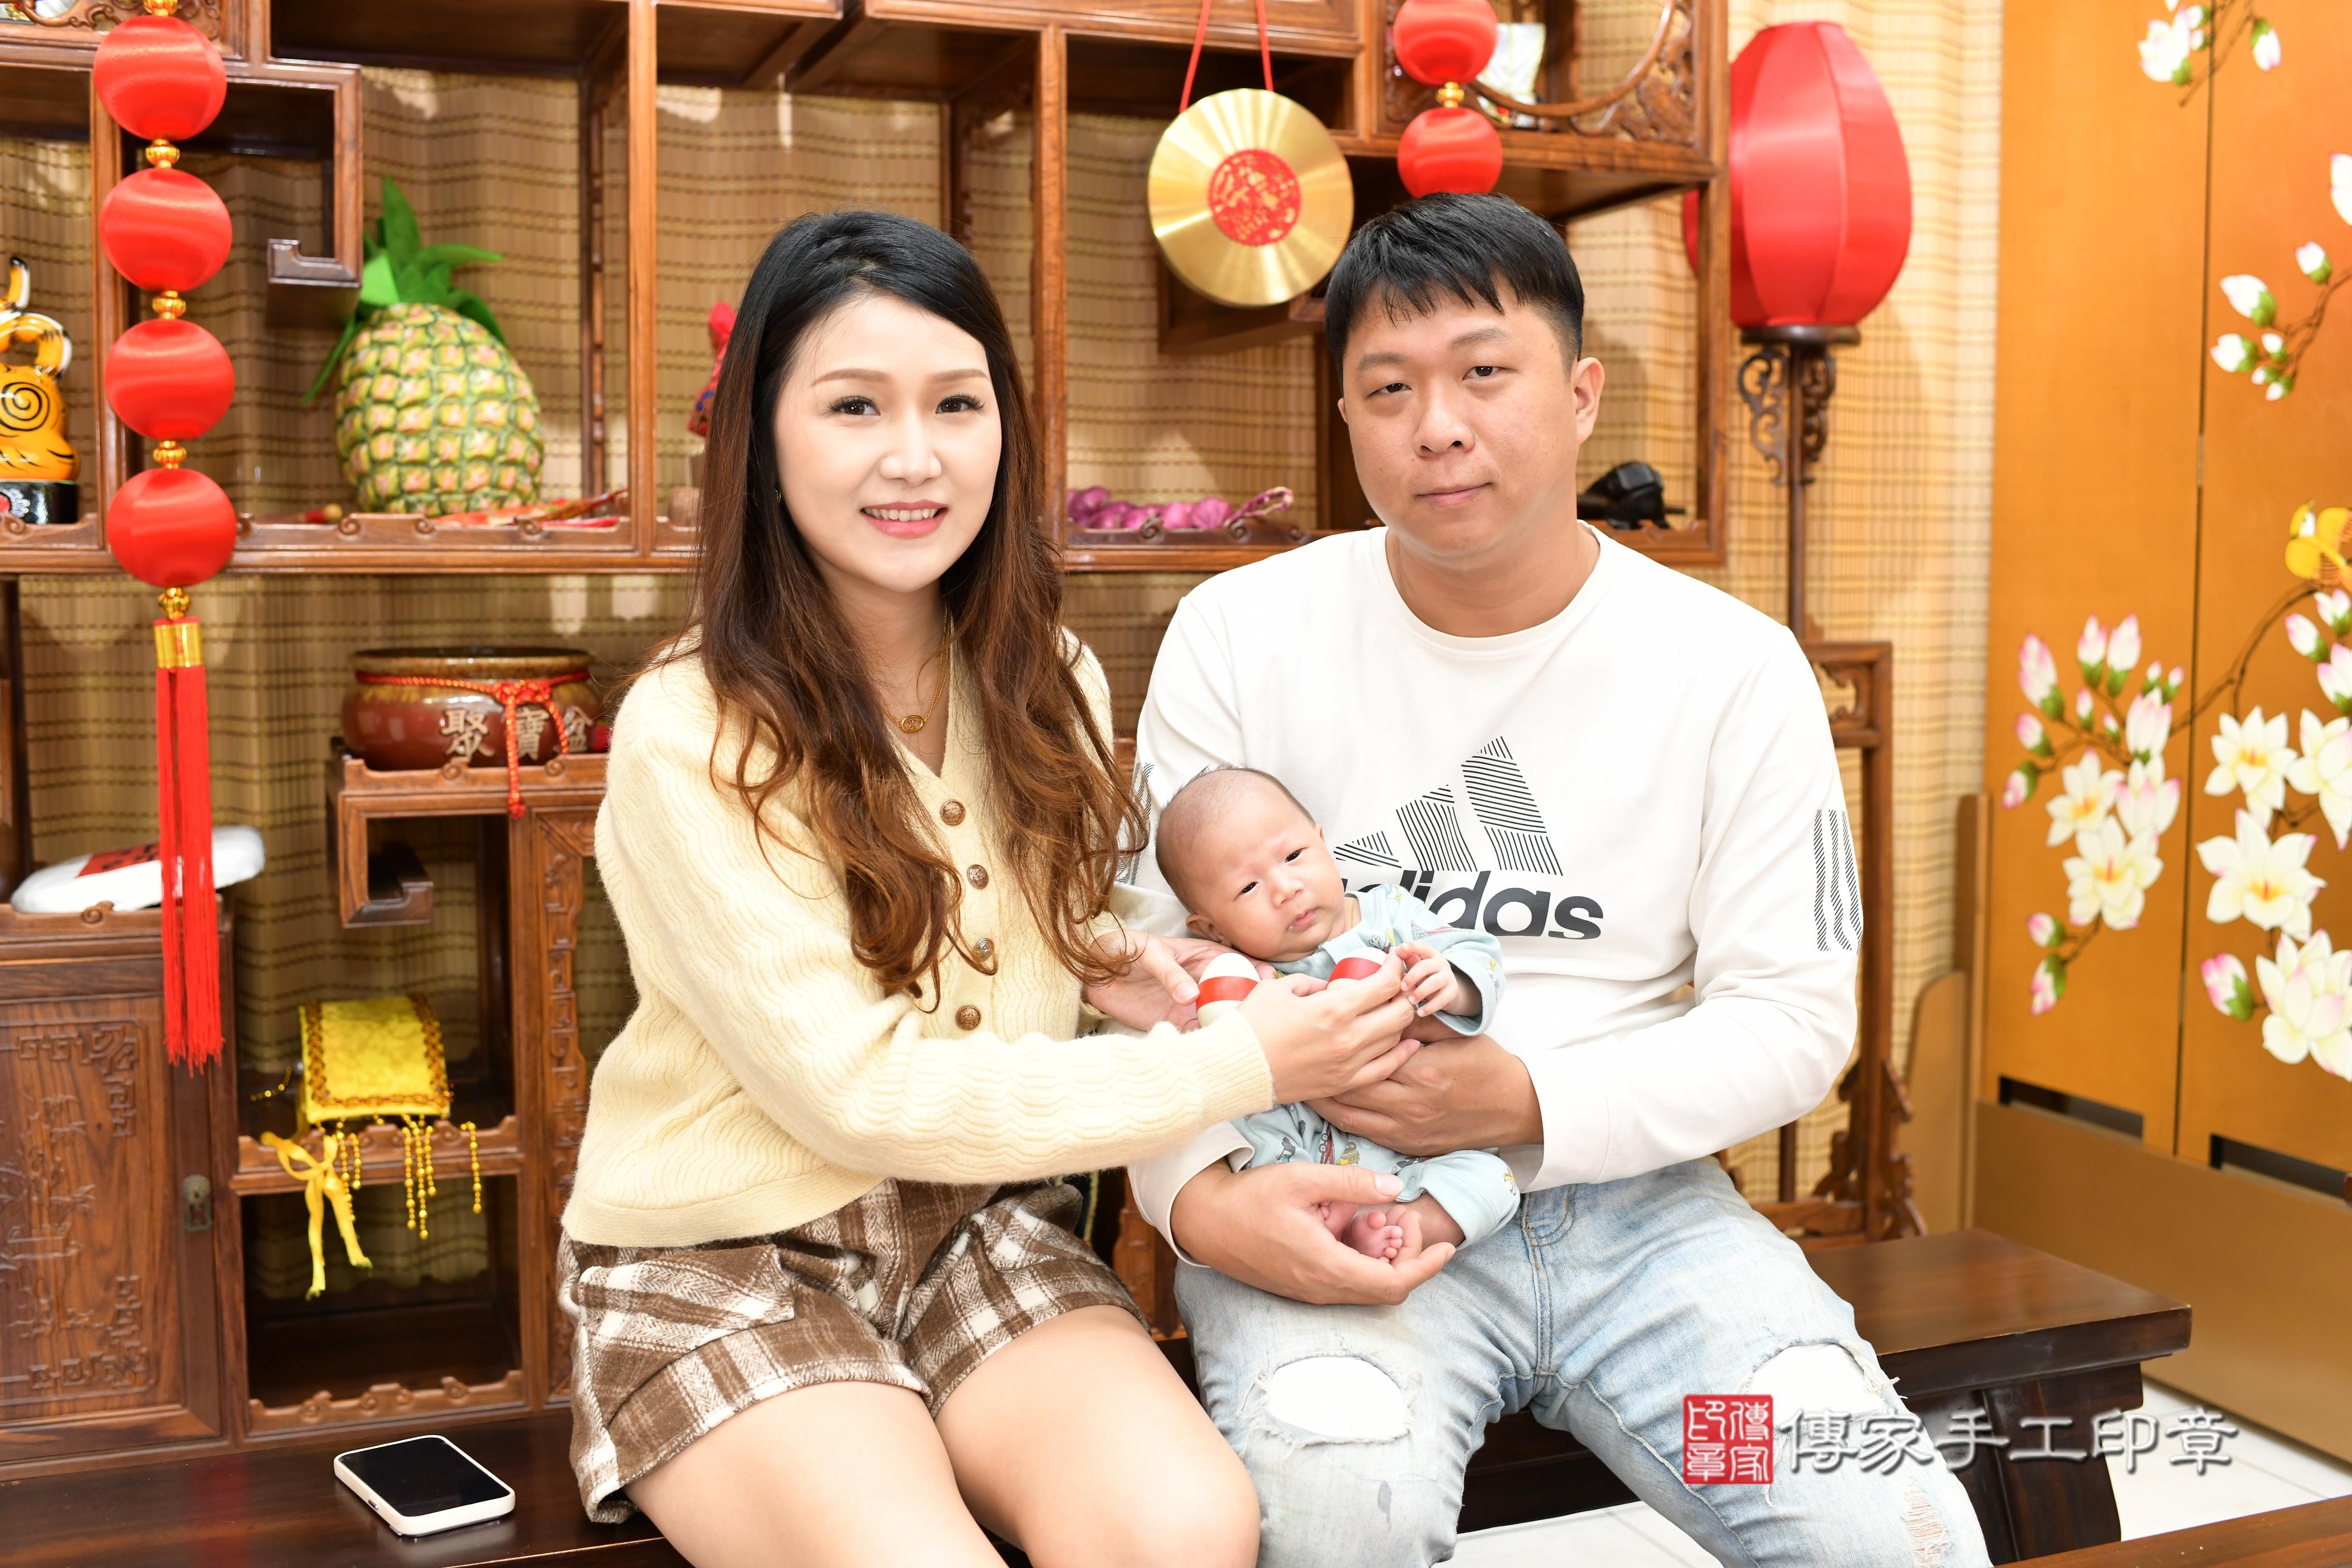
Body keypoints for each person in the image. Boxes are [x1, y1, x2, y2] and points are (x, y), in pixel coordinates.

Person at [1124, 193, 1993, 1567]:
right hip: (1334, 1199)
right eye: (1388, 388)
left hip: (1648, 1239)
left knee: (1888, 1541)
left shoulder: (1730, 668)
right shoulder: (1240, 633)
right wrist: (1204, 1204)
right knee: (1338, 1528)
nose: (1437, 426)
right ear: (1344, 417)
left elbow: (1792, 1021)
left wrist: (1525, 1099)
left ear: (1581, 394)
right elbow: (1152, 983)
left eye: (1484, 371)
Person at [554, 209, 1419, 1568]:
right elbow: (853, 1091)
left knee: (1189, 1527)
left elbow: (1023, 918)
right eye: (853, 405)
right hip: (727, 1251)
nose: (914, 456)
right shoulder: (689, 727)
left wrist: (1117, 955)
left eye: (956, 403)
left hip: (975, 1222)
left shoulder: (1047, 675)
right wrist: (1241, 1061)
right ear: (762, 439)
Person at [1151, 764, 1520, 1260]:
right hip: (1310, 1153)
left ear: (1323, 844)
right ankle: (1330, 1223)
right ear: (1213, 929)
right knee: (1250, 1130)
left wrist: (1454, 983)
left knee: (1494, 1181)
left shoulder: (1390, 914)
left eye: (1293, 856)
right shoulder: (1245, 980)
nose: (1285, 888)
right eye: (1248, 888)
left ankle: (1406, 1225)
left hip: (1435, 1144)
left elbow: (1480, 954)